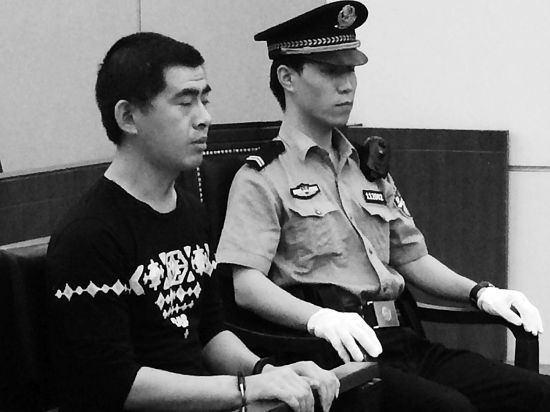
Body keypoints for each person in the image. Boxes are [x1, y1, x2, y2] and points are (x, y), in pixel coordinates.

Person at [216, 2, 550, 411]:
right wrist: (318, 318)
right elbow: (246, 286)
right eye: (331, 71)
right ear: (287, 77)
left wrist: (481, 293)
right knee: (450, 408)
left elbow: (412, 258)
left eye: (351, 70)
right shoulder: (263, 176)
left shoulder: (366, 169)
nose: (347, 86)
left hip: (400, 337)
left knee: (538, 394)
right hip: (333, 352)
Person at [46, 32, 340, 412]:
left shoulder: (190, 211)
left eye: (205, 100)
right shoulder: (88, 234)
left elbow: (210, 332)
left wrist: (268, 371)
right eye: (185, 102)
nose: (204, 118)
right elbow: (113, 384)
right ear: (128, 117)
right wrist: (244, 389)